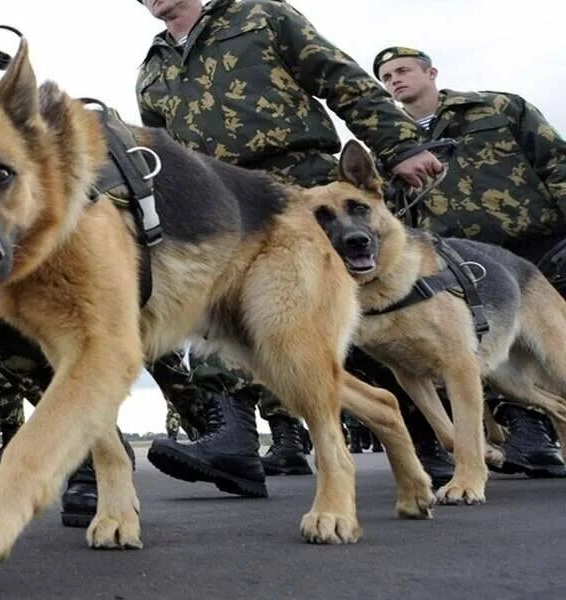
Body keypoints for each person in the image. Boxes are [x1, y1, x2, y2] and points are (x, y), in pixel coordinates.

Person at [133, 0, 443, 498]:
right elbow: (163, 152)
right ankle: (237, 441)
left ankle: (421, 441)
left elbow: (337, 75)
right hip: (220, 206)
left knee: (356, 321)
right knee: (222, 316)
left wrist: (400, 146)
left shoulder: (257, 15)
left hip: (301, 190)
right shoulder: (152, 68)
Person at [375, 46, 566, 477]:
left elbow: (555, 160)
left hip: (535, 242)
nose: (395, 81)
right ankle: (527, 436)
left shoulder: (496, 108)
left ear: (431, 72)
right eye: (386, 78)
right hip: (464, 262)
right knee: (485, 350)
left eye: (403, 70)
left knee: (557, 355)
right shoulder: (393, 144)